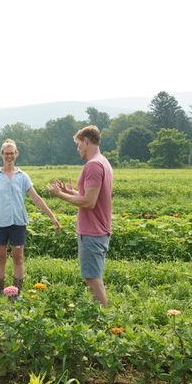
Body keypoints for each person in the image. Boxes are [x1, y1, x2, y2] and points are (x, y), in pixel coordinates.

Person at [47, 125, 113, 308]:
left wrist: (59, 195)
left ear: (86, 141)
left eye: (78, 145)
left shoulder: (92, 165)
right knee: (93, 277)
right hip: (99, 229)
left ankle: (102, 320)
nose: (78, 149)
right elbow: (92, 196)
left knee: (93, 279)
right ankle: (101, 317)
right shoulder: (103, 162)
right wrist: (72, 191)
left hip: (92, 231)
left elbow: (89, 203)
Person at [0, 139, 60, 296]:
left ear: (16, 154)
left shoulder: (23, 176)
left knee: (18, 259)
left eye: (12, 153)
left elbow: (37, 199)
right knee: (0, 259)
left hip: (18, 223)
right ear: (2, 155)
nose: (9, 156)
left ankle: (16, 293)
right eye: (6, 153)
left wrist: (52, 217)